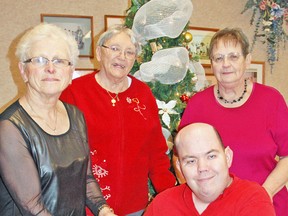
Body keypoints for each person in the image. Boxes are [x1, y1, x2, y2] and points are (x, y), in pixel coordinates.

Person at [0, 23, 116, 216]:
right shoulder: (9, 128)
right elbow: (32, 206)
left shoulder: (76, 116)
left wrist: (105, 211)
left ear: (71, 72)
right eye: (39, 60)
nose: (51, 68)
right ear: (23, 70)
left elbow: (85, 179)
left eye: (60, 61)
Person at [60, 24, 176, 216]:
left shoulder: (143, 94)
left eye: (129, 52)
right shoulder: (74, 92)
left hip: (135, 207)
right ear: (99, 52)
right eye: (114, 49)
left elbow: (156, 152)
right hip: (87, 206)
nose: (122, 57)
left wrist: (169, 193)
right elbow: (62, 152)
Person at [179, 27, 288, 215]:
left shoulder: (271, 100)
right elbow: (179, 157)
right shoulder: (197, 105)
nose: (226, 64)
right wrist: (198, 196)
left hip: (268, 205)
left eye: (233, 56)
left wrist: (262, 194)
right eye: (218, 58)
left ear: (247, 60)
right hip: (213, 209)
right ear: (211, 64)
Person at [144, 123, 276, 215]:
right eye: (191, 161)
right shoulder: (162, 204)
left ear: (228, 157)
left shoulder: (252, 199)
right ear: (179, 167)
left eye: (211, 156)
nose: (202, 168)